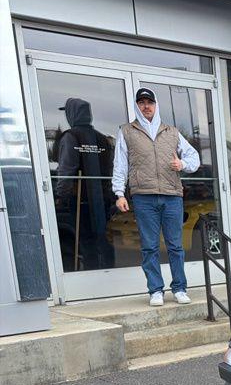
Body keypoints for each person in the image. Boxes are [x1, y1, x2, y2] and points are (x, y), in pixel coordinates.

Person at [111, 87, 200, 306]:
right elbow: (120, 164)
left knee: (175, 245)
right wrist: (119, 193)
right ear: (137, 106)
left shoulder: (171, 132)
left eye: (149, 102)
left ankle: (179, 288)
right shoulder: (127, 131)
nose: (146, 106)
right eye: (141, 102)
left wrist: (183, 164)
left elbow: (194, 157)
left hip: (172, 196)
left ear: (155, 105)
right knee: (149, 246)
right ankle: (156, 290)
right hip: (144, 197)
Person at [53, 98, 115, 271]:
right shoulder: (103, 139)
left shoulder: (71, 136)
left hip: (80, 198)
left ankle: (92, 277)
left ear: (72, 114)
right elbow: (111, 169)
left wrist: (61, 195)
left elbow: (67, 169)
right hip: (103, 199)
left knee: (86, 241)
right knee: (104, 239)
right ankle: (110, 272)